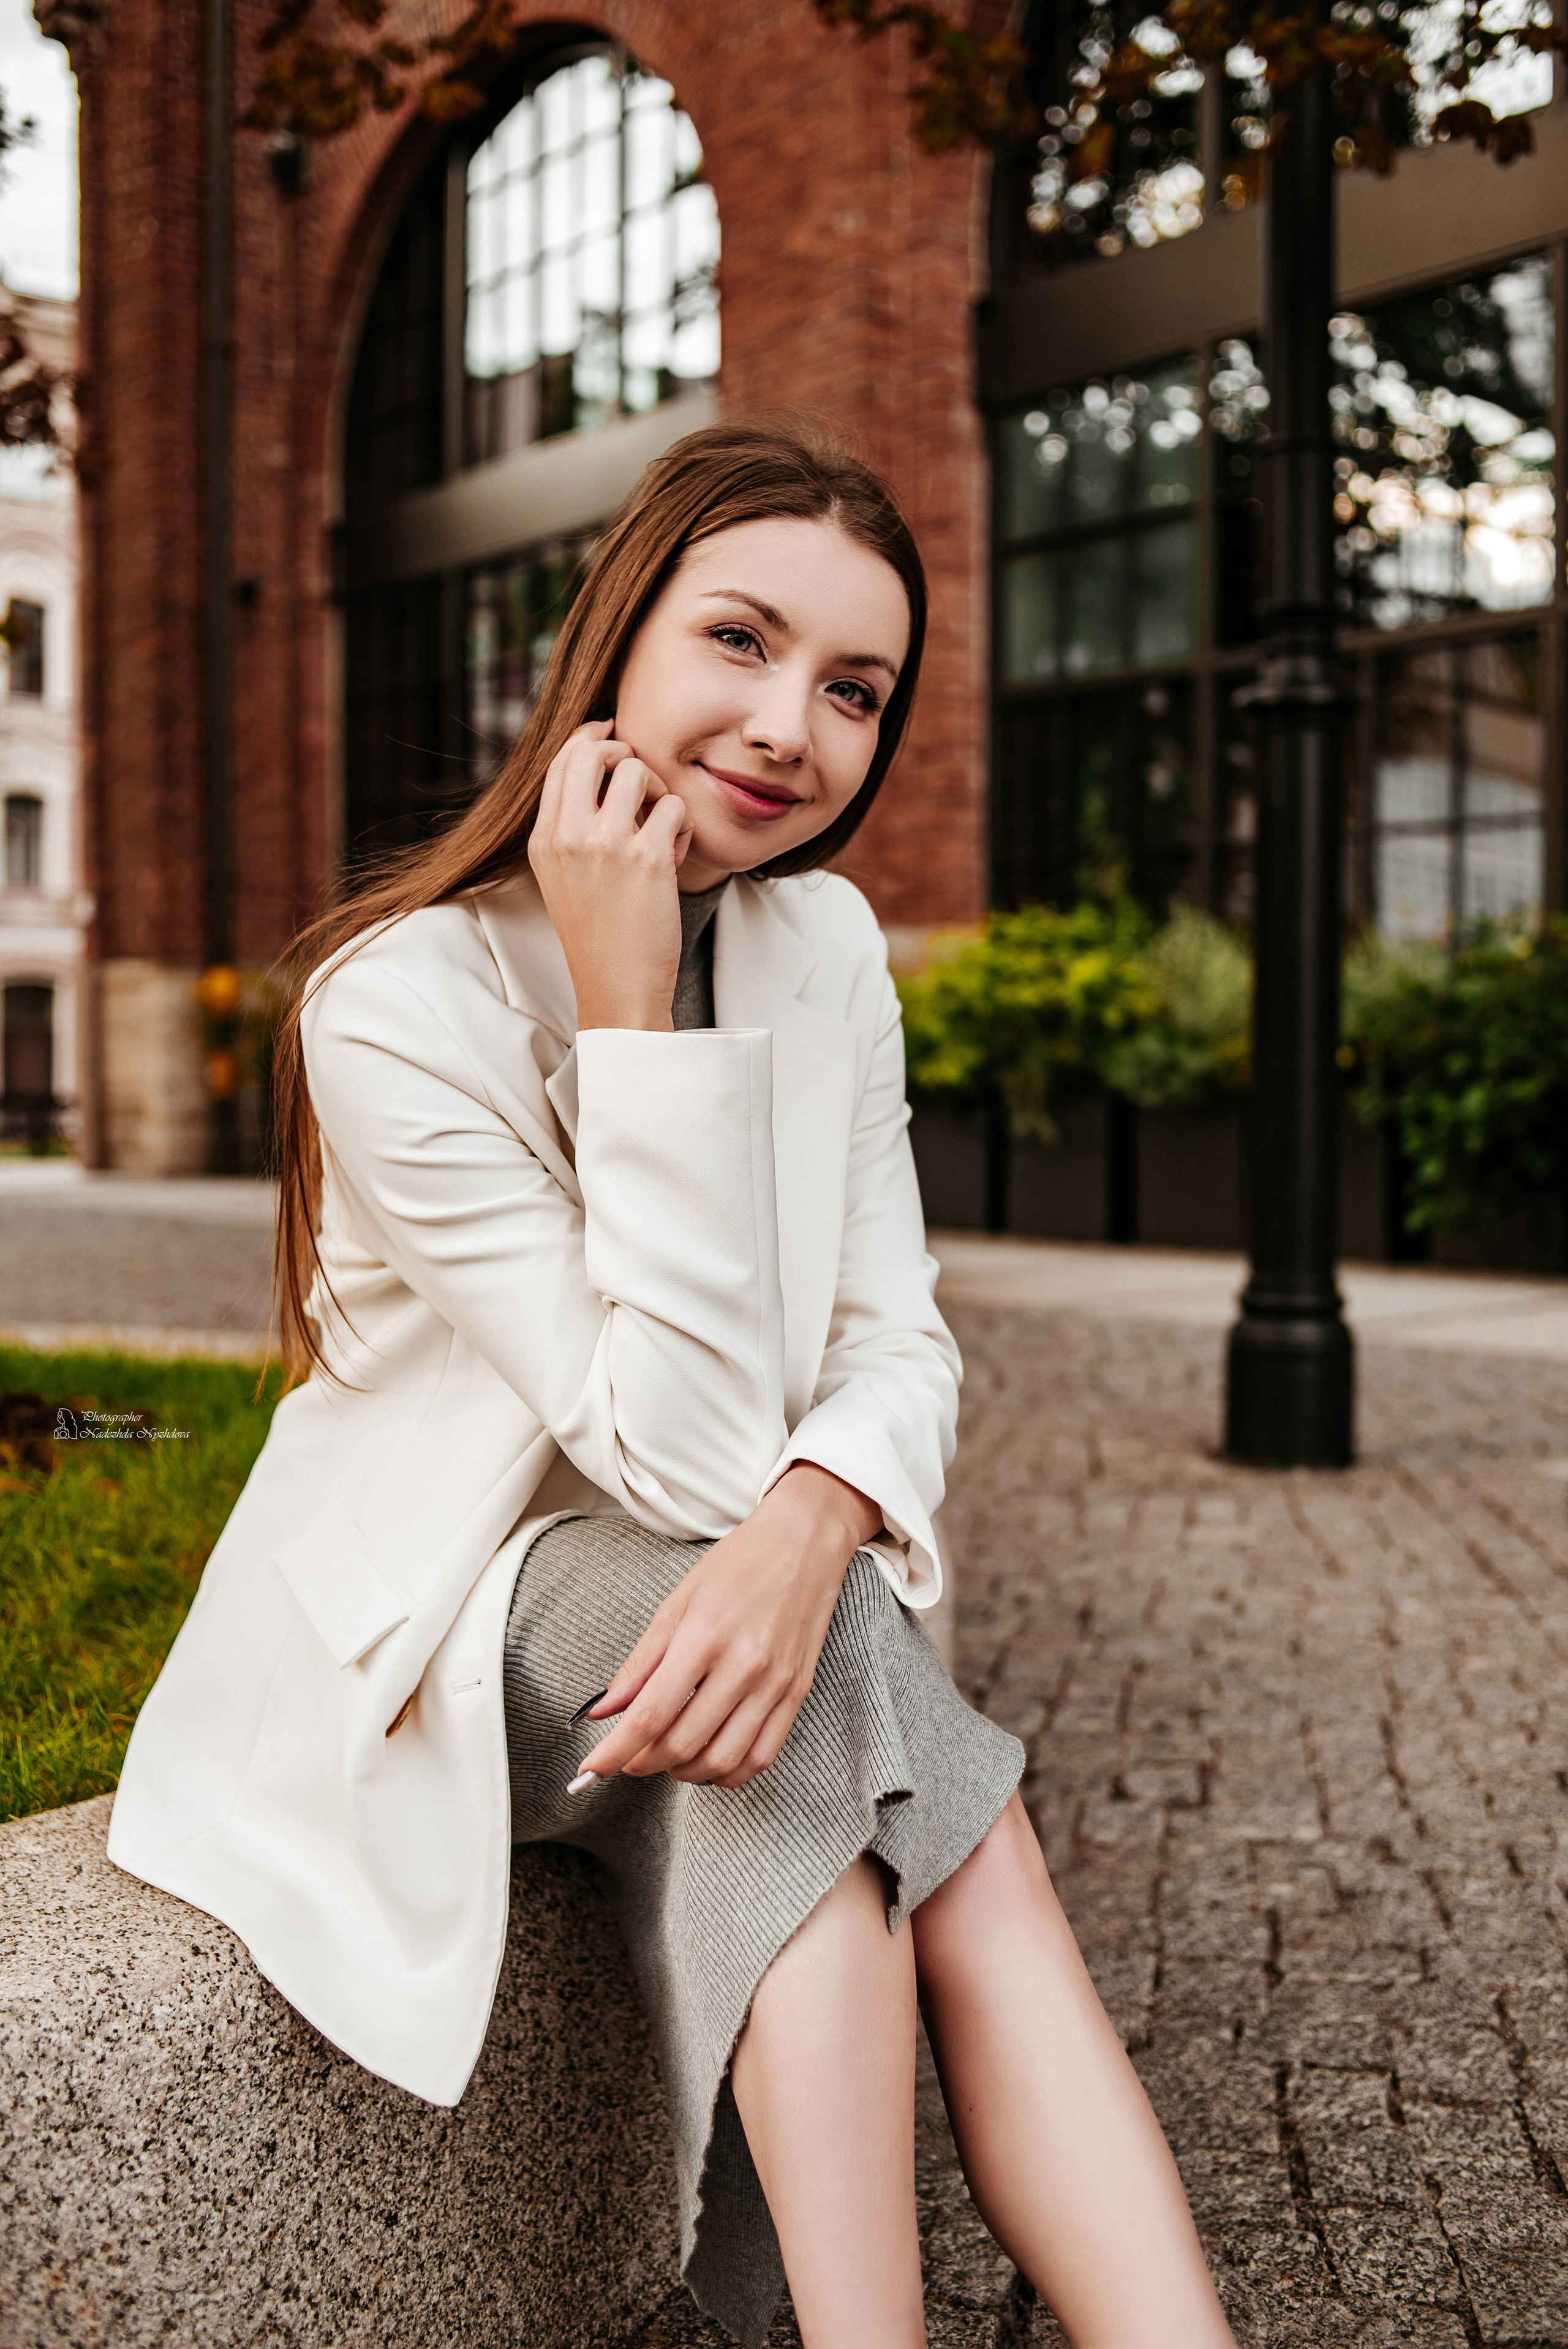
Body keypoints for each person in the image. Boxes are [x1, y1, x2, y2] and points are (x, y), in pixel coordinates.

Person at [108, 422, 1237, 2349]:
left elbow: (897, 1340)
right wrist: (635, 1017)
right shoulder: (396, 1002)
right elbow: (684, 1449)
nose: (792, 723)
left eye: (855, 688)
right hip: (446, 1619)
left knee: (838, 1711)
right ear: (616, 635)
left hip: (704, 1584)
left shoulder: (822, 942)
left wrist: (822, 1519)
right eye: (740, 637)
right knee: (833, 1697)